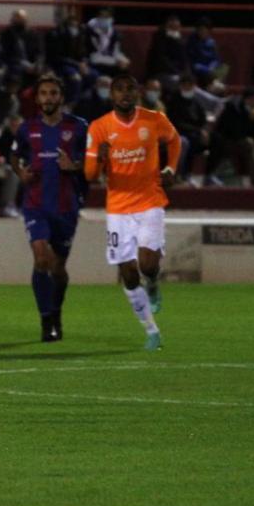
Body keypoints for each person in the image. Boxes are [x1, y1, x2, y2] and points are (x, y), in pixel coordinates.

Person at [85, 74, 181, 350]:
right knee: (127, 273)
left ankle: (152, 281)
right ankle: (151, 331)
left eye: (130, 89)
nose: (125, 94)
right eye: (119, 90)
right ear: (111, 95)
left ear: (138, 93)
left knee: (147, 264)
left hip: (150, 201)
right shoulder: (100, 128)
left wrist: (170, 169)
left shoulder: (154, 119)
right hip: (118, 208)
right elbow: (90, 175)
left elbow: (175, 141)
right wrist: (100, 159)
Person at [9, 75, 87, 341]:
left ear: (61, 97)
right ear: (37, 98)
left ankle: (55, 312)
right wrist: (20, 172)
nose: (48, 98)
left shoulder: (78, 128)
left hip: (66, 207)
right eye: (44, 93)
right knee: (42, 258)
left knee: (58, 269)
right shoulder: (26, 128)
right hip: (36, 204)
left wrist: (74, 167)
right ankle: (46, 322)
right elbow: (14, 156)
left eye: (53, 93)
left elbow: (96, 164)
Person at [208, 88, 254, 188]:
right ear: (249, 99)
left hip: (240, 140)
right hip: (226, 140)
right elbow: (234, 131)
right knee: (249, 144)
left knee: (249, 144)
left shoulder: (249, 110)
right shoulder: (233, 108)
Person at [86, 8, 129, 77]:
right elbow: (90, 50)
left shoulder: (114, 33)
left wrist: (121, 59)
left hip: (110, 58)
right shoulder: (90, 31)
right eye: (102, 16)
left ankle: (119, 86)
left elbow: (116, 50)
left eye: (106, 17)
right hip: (95, 58)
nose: (104, 19)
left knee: (124, 64)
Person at [147, 15, 188, 86]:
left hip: (177, 74)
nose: (175, 30)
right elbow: (161, 61)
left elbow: (184, 60)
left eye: (177, 27)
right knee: (183, 84)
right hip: (161, 74)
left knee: (188, 81)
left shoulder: (180, 41)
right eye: (172, 27)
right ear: (166, 26)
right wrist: (177, 72)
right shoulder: (159, 39)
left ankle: (210, 97)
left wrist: (185, 74)